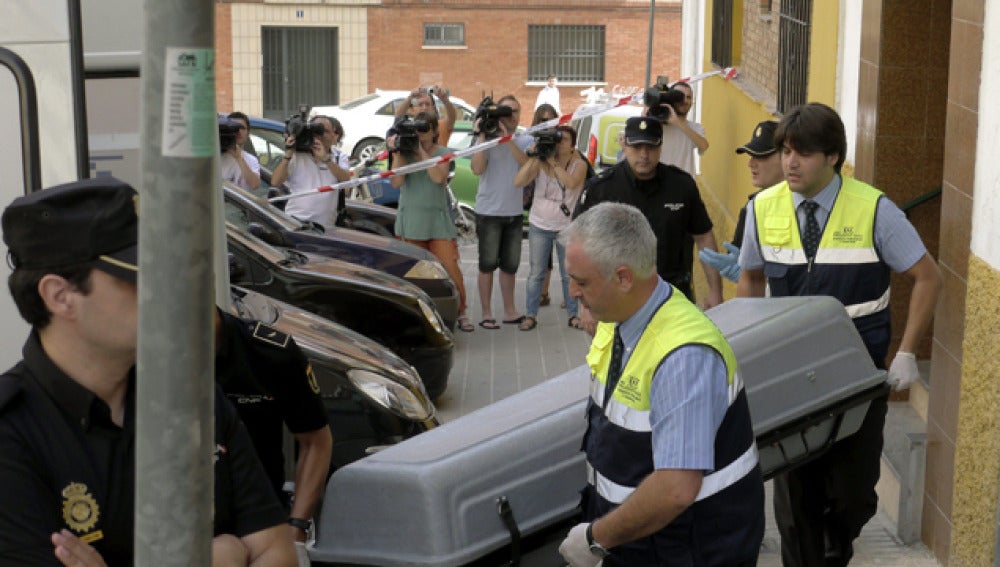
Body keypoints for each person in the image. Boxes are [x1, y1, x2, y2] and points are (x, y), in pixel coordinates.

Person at [0, 178, 295, 566]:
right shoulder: (11, 433)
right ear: (60, 296)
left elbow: (278, 553)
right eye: (137, 277)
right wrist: (219, 557)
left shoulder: (194, 398)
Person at [736, 102, 943, 566]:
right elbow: (749, 279)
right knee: (794, 507)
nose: (790, 162)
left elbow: (928, 277)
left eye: (803, 153)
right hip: (789, 382)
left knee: (853, 498)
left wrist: (906, 352)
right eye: (785, 151)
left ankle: (837, 545)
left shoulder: (874, 209)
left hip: (857, 381)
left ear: (832, 157)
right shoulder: (761, 209)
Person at [557, 202, 764, 567]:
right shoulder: (624, 316)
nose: (572, 291)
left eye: (582, 281)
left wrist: (595, 540)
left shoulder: (683, 358)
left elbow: (675, 488)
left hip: (684, 551)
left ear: (623, 278)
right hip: (641, 542)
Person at [574, 116, 723, 333]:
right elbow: (579, 246)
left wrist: (715, 290)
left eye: (651, 147)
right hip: (617, 298)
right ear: (624, 144)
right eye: (637, 146)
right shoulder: (600, 189)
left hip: (672, 296)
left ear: (661, 146)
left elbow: (703, 236)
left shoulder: (681, 185)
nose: (644, 154)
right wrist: (585, 303)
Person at [213, 307, 333, 555]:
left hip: (261, 528)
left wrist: (296, 530)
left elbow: (315, 442)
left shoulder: (270, 352)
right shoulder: (137, 358)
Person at [388, 112, 474, 333]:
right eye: (416, 130)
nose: (420, 134)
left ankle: (461, 312)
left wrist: (421, 152)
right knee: (414, 274)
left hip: (438, 222)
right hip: (411, 222)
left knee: (451, 269)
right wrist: (399, 152)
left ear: (435, 131)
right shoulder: (404, 153)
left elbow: (438, 178)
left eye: (424, 129)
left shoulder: (443, 152)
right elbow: (396, 182)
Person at [513, 124, 586, 331]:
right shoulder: (541, 162)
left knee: (567, 274)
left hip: (566, 227)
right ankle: (530, 314)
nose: (559, 143)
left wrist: (552, 162)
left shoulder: (578, 164)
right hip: (539, 224)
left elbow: (571, 183)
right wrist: (536, 158)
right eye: (557, 139)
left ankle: (573, 315)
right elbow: (518, 181)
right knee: (536, 273)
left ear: (572, 146)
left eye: (563, 140)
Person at [470, 94, 532, 329]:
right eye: (506, 111)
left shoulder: (523, 138)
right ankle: (486, 313)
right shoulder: (486, 136)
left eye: (515, 111)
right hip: (488, 210)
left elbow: (526, 163)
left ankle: (509, 310)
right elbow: (477, 169)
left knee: (510, 265)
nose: (511, 116)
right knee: (486, 264)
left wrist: (507, 138)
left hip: (514, 211)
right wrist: (482, 136)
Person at [698, 119, 783, 282]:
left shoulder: (807, 205)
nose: (751, 163)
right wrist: (745, 276)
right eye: (751, 156)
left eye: (761, 156)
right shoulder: (753, 208)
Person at [271, 114, 351, 229]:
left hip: (326, 226)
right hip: (297, 221)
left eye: (325, 131)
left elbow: (346, 180)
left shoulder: (339, 156)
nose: (320, 136)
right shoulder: (298, 155)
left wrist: (326, 159)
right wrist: (288, 154)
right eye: (316, 131)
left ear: (334, 135)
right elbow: (275, 181)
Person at [530, 104, 560, 307]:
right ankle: (540, 294)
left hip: (562, 215)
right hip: (539, 211)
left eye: (550, 119)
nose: (546, 123)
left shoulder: (561, 142)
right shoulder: (532, 142)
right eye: (542, 120)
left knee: (565, 266)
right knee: (540, 261)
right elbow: (522, 177)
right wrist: (534, 154)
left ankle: (550, 293)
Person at [648, 82, 708, 177]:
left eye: (688, 97)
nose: (684, 100)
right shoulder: (657, 125)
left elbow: (704, 146)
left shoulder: (695, 128)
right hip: (658, 185)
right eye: (679, 96)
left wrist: (678, 122)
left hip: (684, 187)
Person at [393, 85, 457, 148]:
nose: (424, 108)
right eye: (420, 104)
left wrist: (445, 99)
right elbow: (398, 117)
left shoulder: (440, 125)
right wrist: (410, 97)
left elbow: (452, 117)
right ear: (412, 109)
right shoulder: (409, 126)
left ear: (433, 108)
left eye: (427, 104)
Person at [222, 111, 262, 191]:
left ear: (248, 133)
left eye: (242, 128)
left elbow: (254, 184)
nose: (239, 132)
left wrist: (239, 158)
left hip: (237, 203)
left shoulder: (251, 159)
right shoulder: (216, 156)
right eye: (234, 128)